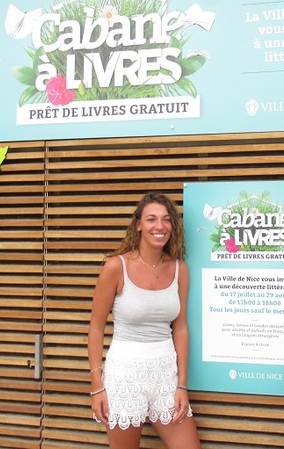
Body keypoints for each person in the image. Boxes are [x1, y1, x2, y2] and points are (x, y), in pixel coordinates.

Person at [87, 192, 202, 449]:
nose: (159, 226)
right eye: (151, 219)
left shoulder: (179, 269)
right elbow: (95, 329)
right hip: (125, 374)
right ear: (138, 224)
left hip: (165, 374)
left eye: (165, 220)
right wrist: (97, 386)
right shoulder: (116, 267)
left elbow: (180, 329)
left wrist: (181, 385)